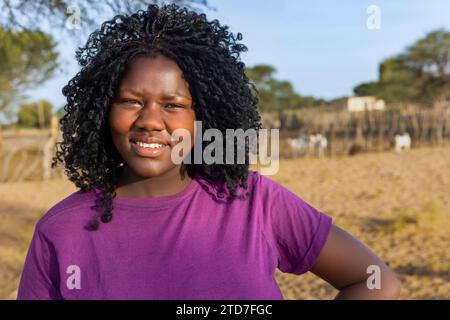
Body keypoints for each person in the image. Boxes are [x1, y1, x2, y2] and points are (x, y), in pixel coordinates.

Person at [17, 4, 400, 300]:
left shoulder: (254, 201)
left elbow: (374, 280)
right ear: (103, 111)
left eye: (172, 105)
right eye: (131, 101)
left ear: (205, 118)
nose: (150, 121)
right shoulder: (61, 231)